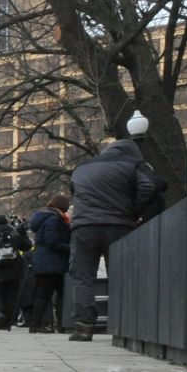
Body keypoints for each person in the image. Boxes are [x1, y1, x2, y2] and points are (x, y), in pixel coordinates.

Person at [67, 115, 160, 341]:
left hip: (83, 228)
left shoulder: (82, 167)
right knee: (120, 275)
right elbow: (150, 186)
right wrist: (135, 211)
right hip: (118, 225)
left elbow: (74, 192)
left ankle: (83, 326)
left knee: (83, 277)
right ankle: (122, 326)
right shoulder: (133, 163)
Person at [27, 193, 72, 332]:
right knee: (51, 294)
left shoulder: (46, 218)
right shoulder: (54, 219)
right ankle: (40, 325)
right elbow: (52, 241)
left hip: (45, 261)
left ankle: (38, 324)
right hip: (52, 262)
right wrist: (70, 248)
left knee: (45, 294)